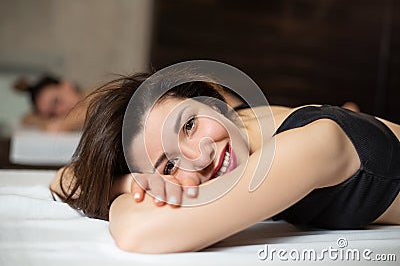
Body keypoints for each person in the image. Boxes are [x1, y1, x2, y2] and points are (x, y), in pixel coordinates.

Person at [50, 70, 400, 254]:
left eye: (188, 125)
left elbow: (137, 233)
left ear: (214, 103)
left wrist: (127, 185)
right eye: (169, 165)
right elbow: (65, 178)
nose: (199, 154)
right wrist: (129, 181)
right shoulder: (242, 122)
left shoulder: (309, 146)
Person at [14, 74, 89, 131]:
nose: (60, 111)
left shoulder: (97, 99)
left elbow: (55, 127)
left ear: (67, 85)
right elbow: (26, 119)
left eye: (56, 101)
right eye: (52, 114)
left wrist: (41, 121)